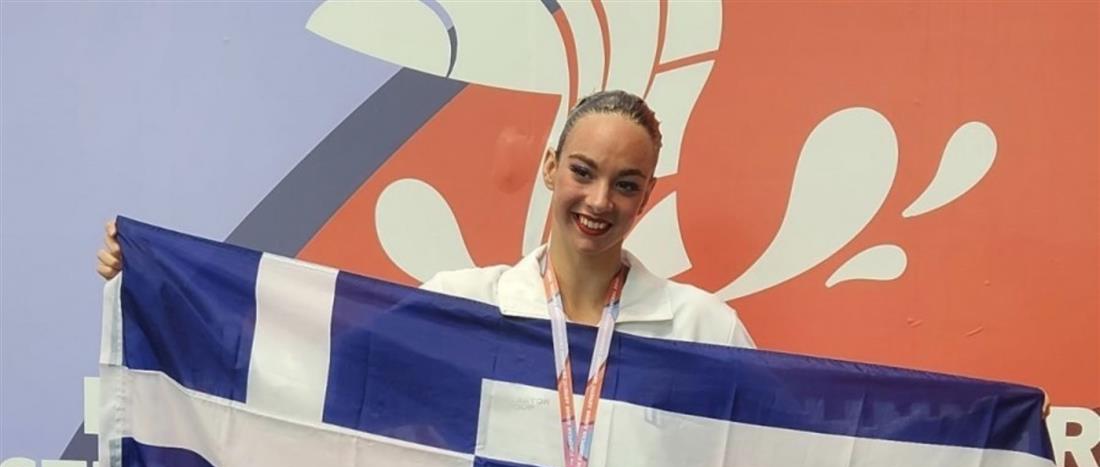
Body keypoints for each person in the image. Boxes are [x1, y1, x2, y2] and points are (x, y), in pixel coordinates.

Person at [97, 90, 754, 348]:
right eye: (583, 171)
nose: (599, 201)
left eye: (626, 184)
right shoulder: (459, 305)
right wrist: (161, 289)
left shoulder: (706, 331)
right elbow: (316, 366)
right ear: (551, 167)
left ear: (647, 196)